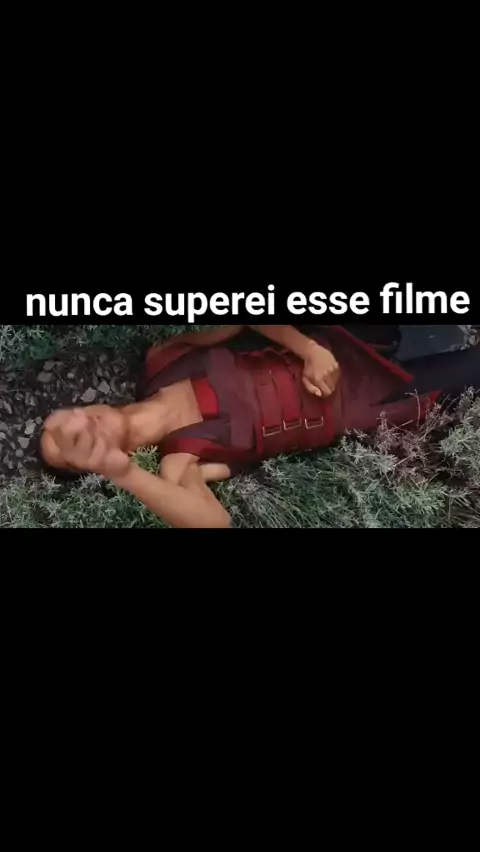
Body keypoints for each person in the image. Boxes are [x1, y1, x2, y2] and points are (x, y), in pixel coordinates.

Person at [41, 325, 480, 529]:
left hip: (340, 340)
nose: (81, 427)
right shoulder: (180, 459)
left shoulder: (163, 360)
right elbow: (213, 523)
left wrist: (307, 349)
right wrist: (121, 471)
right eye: (73, 446)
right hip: (373, 404)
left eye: (64, 423)